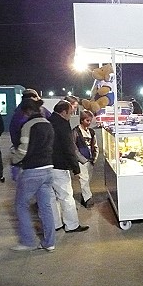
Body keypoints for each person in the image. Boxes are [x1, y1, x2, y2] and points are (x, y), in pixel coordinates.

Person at [9, 98, 56, 251]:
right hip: (48, 168)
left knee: (21, 205)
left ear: (26, 111)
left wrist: (14, 159)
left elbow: (23, 150)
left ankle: (28, 241)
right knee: (46, 207)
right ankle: (49, 243)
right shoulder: (48, 124)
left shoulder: (28, 125)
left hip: (33, 170)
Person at [49, 100, 88, 233]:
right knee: (66, 196)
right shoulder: (62, 124)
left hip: (47, 165)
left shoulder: (48, 121)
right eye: (70, 113)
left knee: (51, 197)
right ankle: (71, 225)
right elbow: (68, 147)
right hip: (59, 165)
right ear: (64, 112)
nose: (71, 116)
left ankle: (55, 224)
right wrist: (75, 168)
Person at [73, 110, 98, 208]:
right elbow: (74, 147)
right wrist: (81, 159)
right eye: (87, 120)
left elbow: (95, 145)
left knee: (87, 180)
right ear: (82, 120)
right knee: (84, 179)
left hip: (90, 159)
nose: (89, 122)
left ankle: (85, 197)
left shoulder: (91, 131)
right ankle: (88, 199)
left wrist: (94, 158)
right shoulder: (75, 132)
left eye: (90, 120)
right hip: (81, 160)